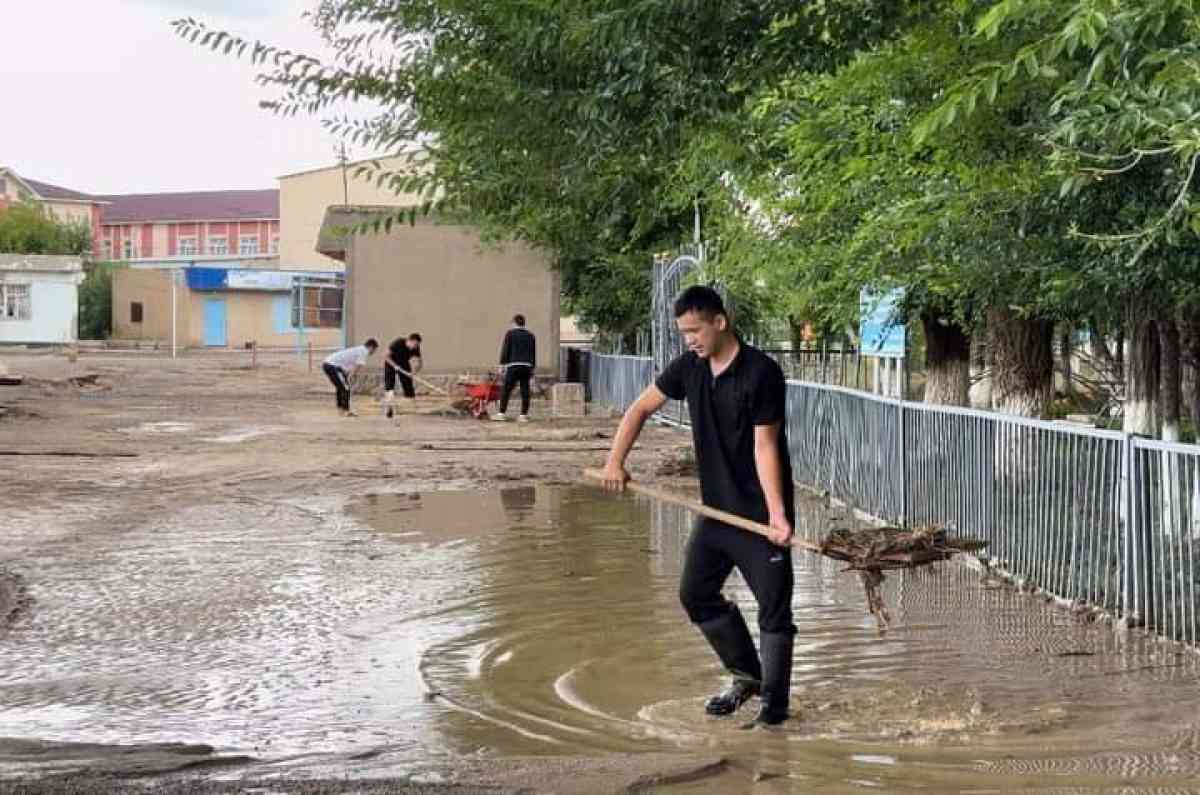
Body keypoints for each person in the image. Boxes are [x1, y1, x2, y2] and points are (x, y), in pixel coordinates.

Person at [599, 285, 796, 727]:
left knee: (774, 612)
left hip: (761, 516)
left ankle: (774, 715)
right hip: (716, 514)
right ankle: (747, 677)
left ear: (719, 322)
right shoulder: (689, 368)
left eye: (695, 330)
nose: (690, 340)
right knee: (695, 594)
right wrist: (615, 461)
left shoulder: (761, 372)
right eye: (683, 332)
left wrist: (778, 516)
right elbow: (639, 410)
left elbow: (765, 447)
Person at [493, 314, 536, 423]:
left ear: (514, 323)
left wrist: (502, 365)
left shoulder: (510, 334)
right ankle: (523, 415)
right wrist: (532, 368)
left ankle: (501, 413)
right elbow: (533, 352)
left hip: (513, 365)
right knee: (525, 390)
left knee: (506, 389)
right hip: (527, 366)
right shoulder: (531, 335)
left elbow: (506, 349)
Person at [322, 338, 378, 417]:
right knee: (345, 388)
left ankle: (341, 409)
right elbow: (358, 366)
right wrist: (351, 376)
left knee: (341, 387)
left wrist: (348, 375)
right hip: (332, 365)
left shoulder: (359, 349)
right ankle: (345, 410)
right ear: (371, 347)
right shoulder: (364, 351)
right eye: (374, 350)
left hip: (330, 364)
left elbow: (347, 365)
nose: (373, 352)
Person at [383, 332, 423, 418]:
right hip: (391, 363)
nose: (415, 347)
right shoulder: (398, 343)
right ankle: (389, 406)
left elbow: (419, 362)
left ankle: (409, 404)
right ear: (410, 341)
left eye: (417, 345)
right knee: (389, 385)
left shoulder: (416, 348)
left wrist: (414, 372)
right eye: (415, 344)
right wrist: (395, 366)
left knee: (408, 384)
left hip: (404, 363)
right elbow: (386, 356)